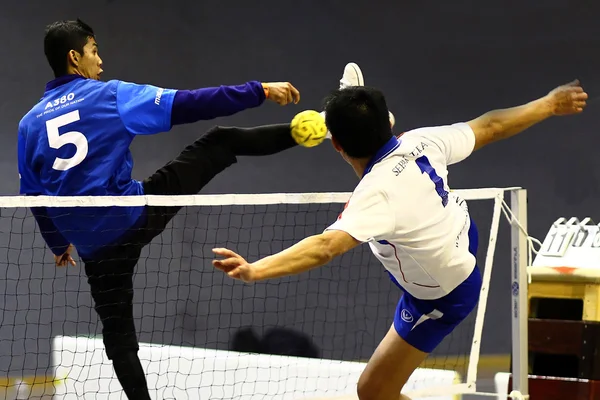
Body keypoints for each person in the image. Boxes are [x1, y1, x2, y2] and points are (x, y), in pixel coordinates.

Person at [212, 63, 588, 400]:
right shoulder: (422, 140)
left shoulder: (375, 197)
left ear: (338, 146)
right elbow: (489, 126)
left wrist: (256, 270)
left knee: (374, 392)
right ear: (388, 122)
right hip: (458, 235)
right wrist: (550, 104)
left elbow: (325, 247)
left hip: (442, 294)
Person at [18, 18, 309, 400]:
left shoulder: (28, 125)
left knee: (118, 334)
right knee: (219, 143)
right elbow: (189, 103)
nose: (101, 62)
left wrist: (58, 244)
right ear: (74, 57)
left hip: (94, 250)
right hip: (134, 218)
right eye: (94, 51)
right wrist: (259, 90)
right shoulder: (110, 96)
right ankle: (317, 129)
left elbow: (34, 197)